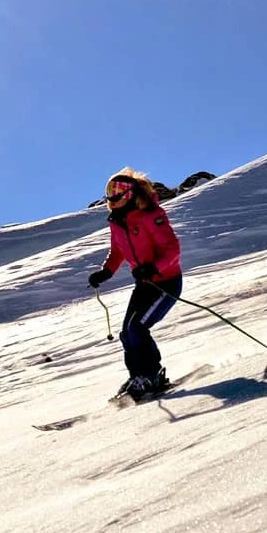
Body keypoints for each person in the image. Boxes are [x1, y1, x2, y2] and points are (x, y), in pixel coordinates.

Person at [87, 168, 183, 399]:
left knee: (137, 328)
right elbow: (118, 250)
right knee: (126, 333)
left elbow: (172, 249)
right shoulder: (117, 221)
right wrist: (106, 272)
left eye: (117, 193)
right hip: (144, 284)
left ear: (130, 194)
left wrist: (153, 267)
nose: (111, 199)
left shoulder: (151, 215)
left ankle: (152, 375)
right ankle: (137, 376)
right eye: (109, 193)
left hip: (166, 282)